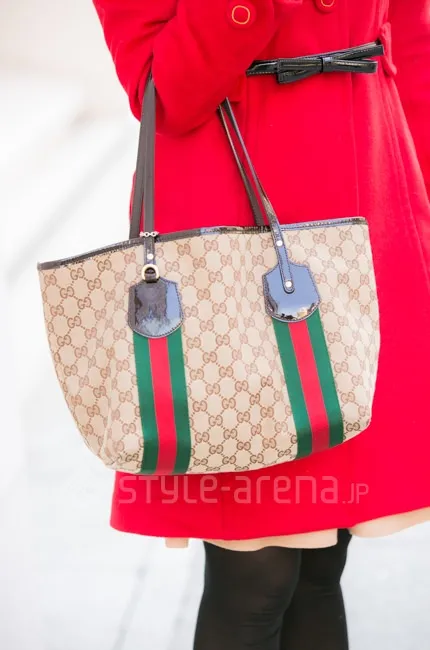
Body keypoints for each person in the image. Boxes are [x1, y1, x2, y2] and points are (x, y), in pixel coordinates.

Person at [92, 1, 430, 648]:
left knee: (323, 567)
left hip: (369, 214)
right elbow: (166, 91)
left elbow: (411, 42)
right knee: (255, 578)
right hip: (235, 257)